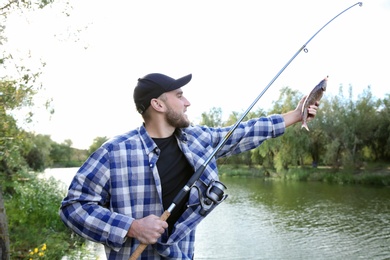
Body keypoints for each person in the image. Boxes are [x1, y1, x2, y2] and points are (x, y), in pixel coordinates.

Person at [59, 73, 319, 259]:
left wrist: (296, 115)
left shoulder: (198, 139)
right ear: (158, 104)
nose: (187, 102)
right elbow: (73, 207)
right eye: (179, 95)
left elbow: (243, 132)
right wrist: (131, 227)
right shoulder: (114, 152)